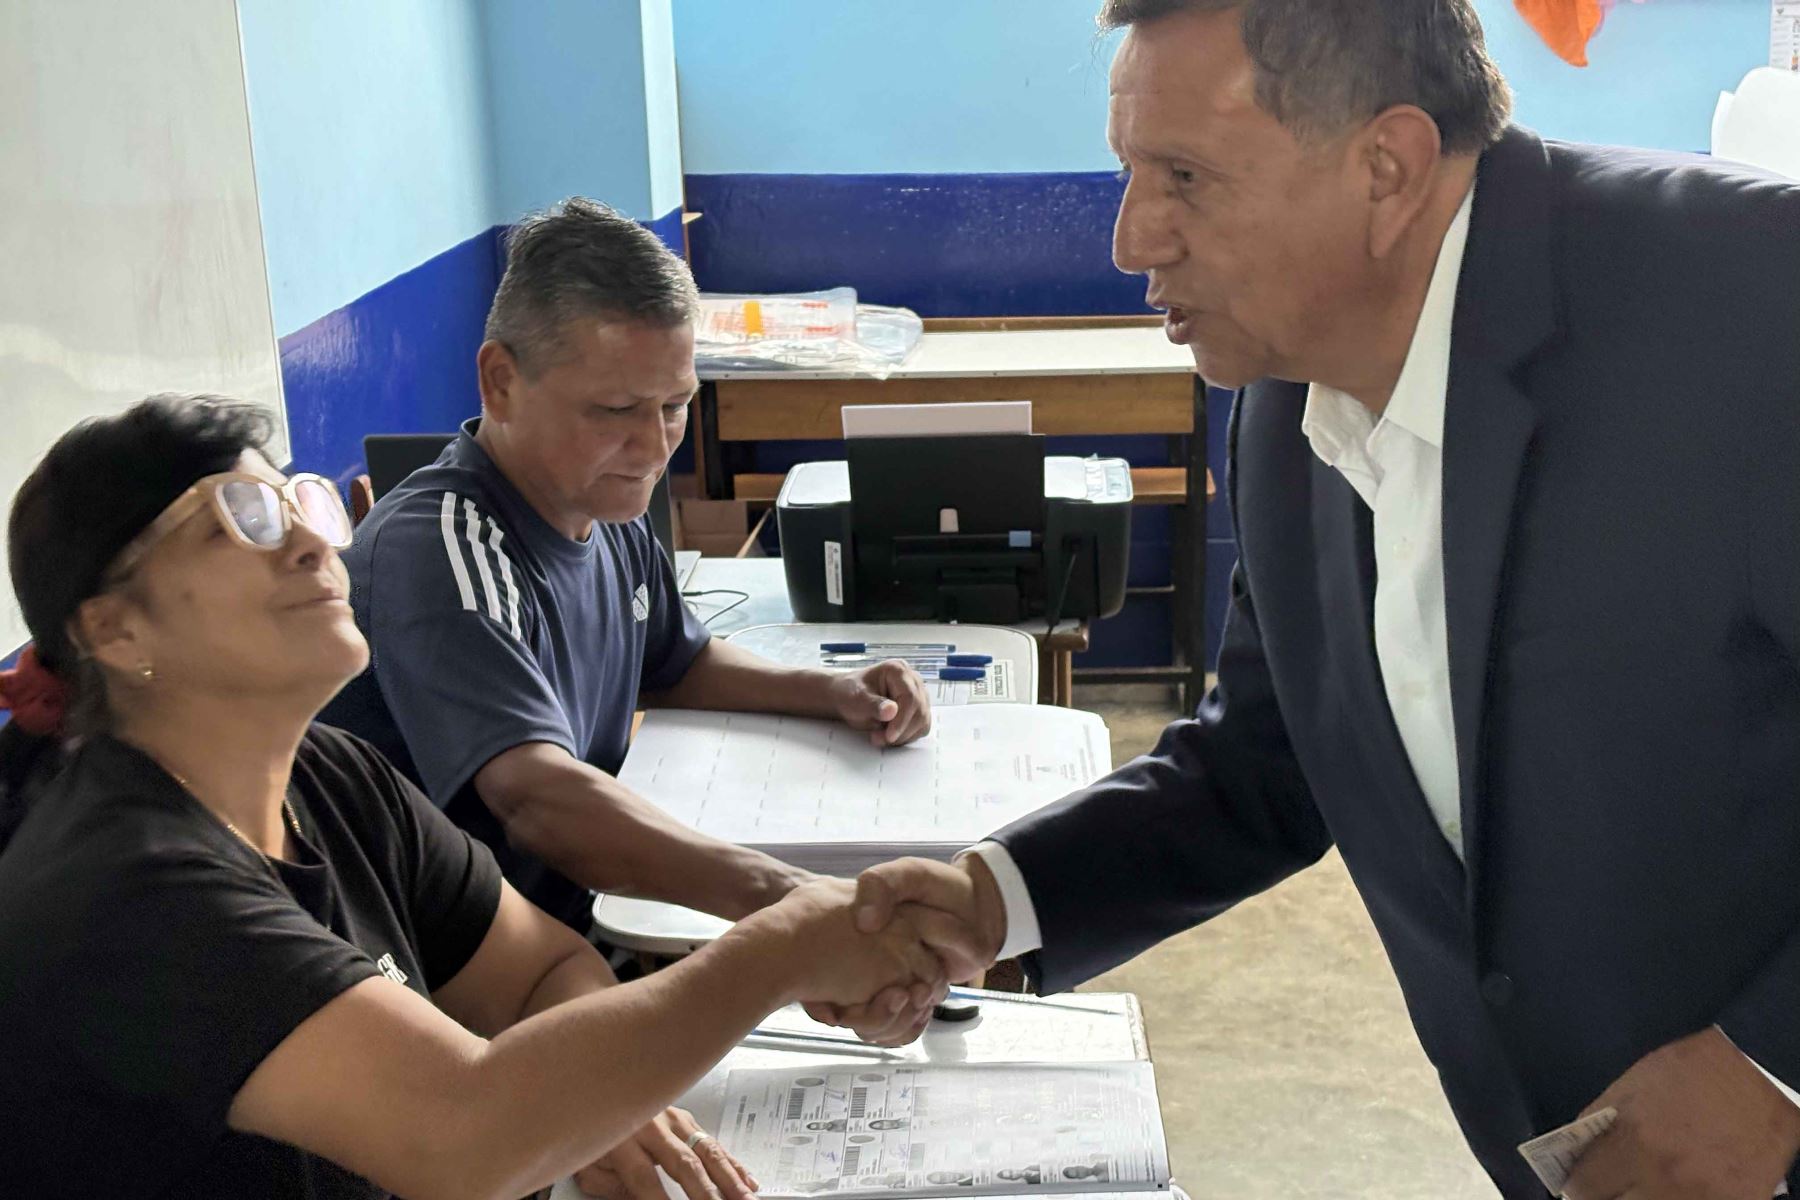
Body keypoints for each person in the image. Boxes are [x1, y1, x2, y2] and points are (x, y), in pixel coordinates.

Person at [833, 1, 1800, 1196]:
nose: (1134, 239)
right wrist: (996, 902)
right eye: (1132, 173)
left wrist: (1775, 1064)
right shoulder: (1286, 406)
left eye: (1183, 176)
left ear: (1384, 167)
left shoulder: (1750, 303)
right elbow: (1269, 760)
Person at [0, 396, 951, 1200]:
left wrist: (594, 1106)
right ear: (114, 631)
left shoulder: (332, 777)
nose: (307, 544)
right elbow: (460, 1135)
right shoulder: (129, 889)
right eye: (243, 518)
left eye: (299, 503)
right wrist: (780, 945)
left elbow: (544, 972)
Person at [320, 199, 932, 946]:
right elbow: (536, 798)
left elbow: (677, 662)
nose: (652, 447)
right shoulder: (444, 550)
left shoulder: (602, 502)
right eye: (614, 409)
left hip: (593, 914)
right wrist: (790, 900)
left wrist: (835, 691)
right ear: (501, 382)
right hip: (475, 966)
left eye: (676, 405)